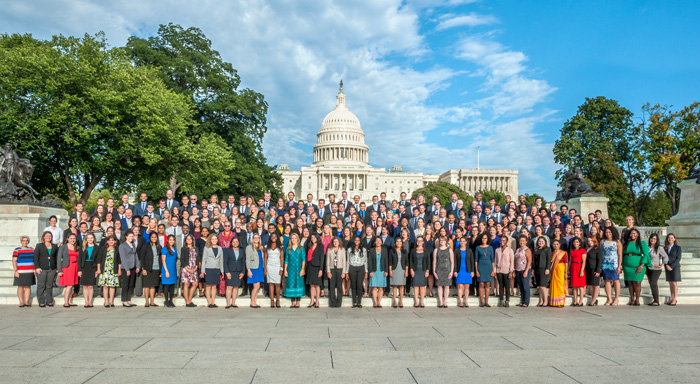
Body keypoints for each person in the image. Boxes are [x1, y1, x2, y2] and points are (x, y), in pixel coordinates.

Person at [621, 228, 651, 306]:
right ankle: (632, 299)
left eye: (634, 233)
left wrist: (641, 266)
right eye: (631, 233)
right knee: (630, 282)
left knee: (637, 282)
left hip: (638, 265)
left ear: (638, 234)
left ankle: (637, 299)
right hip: (627, 266)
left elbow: (646, 255)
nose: (633, 235)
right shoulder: (625, 243)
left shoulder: (642, 243)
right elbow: (622, 254)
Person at [200, 233, 224, 308]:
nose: (214, 240)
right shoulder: (206, 247)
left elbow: (221, 260)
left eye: (215, 239)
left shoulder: (220, 248)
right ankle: (209, 302)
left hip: (216, 269)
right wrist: (202, 270)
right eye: (212, 239)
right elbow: (204, 259)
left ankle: (213, 302)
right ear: (210, 240)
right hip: (208, 268)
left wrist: (222, 271)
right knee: (208, 286)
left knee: (214, 286)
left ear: (217, 240)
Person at [34, 231, 57, 307]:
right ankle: (41, 301)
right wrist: (37, 267)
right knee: (41, 285)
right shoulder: (39, 246)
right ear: (43, 237)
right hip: (42, 268)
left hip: (52, 269)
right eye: (47, 236)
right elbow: (36, 257)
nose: (48, 237)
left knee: (49, 285)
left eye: (50, 236)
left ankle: (49, 301)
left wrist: (56, 268)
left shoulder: (54, 246)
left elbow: (56, 257)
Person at [96, 235, 121, 307]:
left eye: (112, 240)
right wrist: (98, 269)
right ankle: (106, 301)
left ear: (115, 241)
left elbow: (119, 261)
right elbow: (99, 260)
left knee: (112, 286)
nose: (111, 242)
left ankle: (111, 301)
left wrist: (119, 270)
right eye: (109, 240)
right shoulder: (103, 249)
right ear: (107, 241)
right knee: (105, 286)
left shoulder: (117, 249)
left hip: (113, 270)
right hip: (105, 270)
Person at [601, 226, 623, 306]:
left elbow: (620, 255)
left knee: (616, 280)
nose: (608, 234)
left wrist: (619, 266)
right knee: (607, 280)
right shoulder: (602, 241)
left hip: (614, 263)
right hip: (605, 263)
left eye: (609, 232)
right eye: (606, 232)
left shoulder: (617, 242)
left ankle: (616, 298)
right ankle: (609, 298)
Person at [140, 232, 162, 307]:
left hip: (156, 268)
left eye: (155, 237)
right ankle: (147, 302)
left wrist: (160, 270)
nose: (154, 238)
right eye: (152, 237)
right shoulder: (146, 246)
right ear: (150, 238)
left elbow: (160, 259)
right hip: (148, 268)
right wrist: (143, 268)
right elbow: (142, 258)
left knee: (153, 286)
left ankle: (152, 301)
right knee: (147, 286)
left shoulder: (159, 246)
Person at [284, 232, 306, 308]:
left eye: (295, 238)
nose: (293, 240)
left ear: (297, 239)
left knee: (298, 283)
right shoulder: (288, 249)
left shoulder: (301, 248)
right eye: (292, 238)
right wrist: (285, 270)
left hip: (299, 268)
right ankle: (293, 302)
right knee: (291, 283)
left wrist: (302, 269)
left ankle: (298, 302)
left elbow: (303, 259)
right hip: (290, 269)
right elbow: (286, 260)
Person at [118, 232, 140, 307]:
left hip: (133, 266)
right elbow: (123, 258)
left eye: (132, 236)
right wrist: (127, 269)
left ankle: (128, 299)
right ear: (126, 237)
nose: (131, 237)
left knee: (131, 284)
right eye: (130, 236)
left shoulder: (133, 244)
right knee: (125, 284)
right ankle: (124, 300)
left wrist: (137, 266)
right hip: (126, 267)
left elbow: (135, 255)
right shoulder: (122, 246)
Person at [57, 234, 79, 307]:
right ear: (67, 239)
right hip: (67, 267)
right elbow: (59, 259)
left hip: (75, 266)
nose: (72, 240)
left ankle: (69, 301)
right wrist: (59, 270)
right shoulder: (63, 247)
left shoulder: (77, 247)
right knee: (69, 285)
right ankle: (66, 302)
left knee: (71, 285)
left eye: (74, 238)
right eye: (71, 238)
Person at [12, 236, 35, 307]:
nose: (25, 242)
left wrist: (34, 269)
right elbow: (14, 261)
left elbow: (35, 260)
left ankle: (27, 301)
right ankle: (21, 302)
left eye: (26, 240)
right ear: (21, 241)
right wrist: (15, 271)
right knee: (20, 287)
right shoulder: (17, 250)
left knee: (28, 286)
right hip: (21, 271)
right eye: (23, 240)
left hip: (30, 271)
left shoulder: (32, 249)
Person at [77, 233, 99, 308]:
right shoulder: (83, 247)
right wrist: (79, 270)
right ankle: (86, 302)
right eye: (88, 238)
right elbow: (79, 259)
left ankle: (90, 301)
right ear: (86, 239)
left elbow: (98, 259)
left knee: (90, 286)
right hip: (84, 267)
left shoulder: (97, 247)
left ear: (94, 239)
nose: (90, 239)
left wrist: (97, 270)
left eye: (91, 238)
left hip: (92, 267)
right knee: (85, 286)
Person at [646, 233, 668, 307]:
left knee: (653, 283)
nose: (653, 240)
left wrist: (662, 264)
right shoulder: (646, 247)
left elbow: (665, 257)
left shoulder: (659, 248)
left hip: (656, 269)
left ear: (657, 240)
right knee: (651, 283)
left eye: (655, 239)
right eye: (652, 238)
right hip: (647, 268)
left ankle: (656, 300)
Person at [432, 236, 454, 308]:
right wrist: (434, 271)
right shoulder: (436, 250)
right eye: (441, 240)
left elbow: (452, 261)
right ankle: (441, 302)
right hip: (439, 269)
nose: (442, 242)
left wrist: (451, 271)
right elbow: (434, 261)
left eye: (443, 241)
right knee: (439, 286)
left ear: (446, 242)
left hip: (447, 269)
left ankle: (445, 302)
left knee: (447, 286)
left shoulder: (449, 250)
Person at [224, 237, 245, 308]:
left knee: (236, 287)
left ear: (239, 243)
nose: (235, 243)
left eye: (236, 241)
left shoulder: (242, 251)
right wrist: (227, 272)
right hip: (230, 271)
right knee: (229, 287)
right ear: (231, 243)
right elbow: (225, 262)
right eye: (233, 242)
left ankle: (233, 303)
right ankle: (228, 303)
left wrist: (243, 272)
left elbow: (243, 262)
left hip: (238, 271)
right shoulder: (228, 251)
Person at [346, 236, 367, 308]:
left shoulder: (363, 250)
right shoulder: (349, 250)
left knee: (359, 285)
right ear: (353, 241)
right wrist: (346, 272)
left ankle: (359, 302)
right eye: (355, 240)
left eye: (358, 240)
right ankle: (354, 302)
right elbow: (348, 261)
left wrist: (366, 271)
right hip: (352, 268)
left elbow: (365, 261)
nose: (357, 241)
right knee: (353, 285)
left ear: (360, 241)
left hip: (361, 268)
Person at [475, 234, 495, 307]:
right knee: (481, 284)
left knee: (487, 284)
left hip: (488, 267)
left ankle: (486, 302)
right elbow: (476, 260)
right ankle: (482, 302)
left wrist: (493, 270)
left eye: (485, 238)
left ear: (487, 239)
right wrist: (476, 270)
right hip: (480, 267)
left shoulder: (490, 248)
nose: (484, 239)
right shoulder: (478, 248)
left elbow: (492, 260)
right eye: (483, 238)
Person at [180, 234, 201, 307]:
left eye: (190, 239)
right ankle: (187, 302)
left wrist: (196, 268)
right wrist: (187, 269)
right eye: (187, 239)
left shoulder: (196, 248)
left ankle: (189, 299)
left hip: (194, 268)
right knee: (186, 284)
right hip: (186, 268)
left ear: (192, 240)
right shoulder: (183, 249)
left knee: (195, 284)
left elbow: (198, 258)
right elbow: (182, 259)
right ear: (185, 240)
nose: (189, 240)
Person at [265, 232, 285, 308]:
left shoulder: (281, 246)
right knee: (271, 283)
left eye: (275, 236)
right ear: (270, 237)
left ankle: (278, 300)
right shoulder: (266, 246)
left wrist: (281, 268)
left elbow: (282, 258)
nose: (273, 237)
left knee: (277, 284)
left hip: (277, 266)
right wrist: (265, 270)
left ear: (277, 238)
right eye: (272, 236)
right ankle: (272, 300)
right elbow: (265, 258)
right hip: (269, 266)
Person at [326, 237, 346, 308]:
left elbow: (344, 261)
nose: (336, 243)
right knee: (332, 286)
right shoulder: (329, 250)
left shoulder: (342, 250)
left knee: (339, 286)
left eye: (337, 241)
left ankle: (338, 302)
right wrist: (328, 271)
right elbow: (327, 261)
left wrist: (344, 272)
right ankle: (332, 302)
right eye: (334, 242)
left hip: (339, 269)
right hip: (332, 269)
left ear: (339, 242)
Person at [547, 239, 569, 308]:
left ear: (559, 245)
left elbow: (566, 263)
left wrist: (566, 272)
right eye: (554, 244)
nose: (556, 246)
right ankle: (554, 302)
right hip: (554, 271)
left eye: (557, 244)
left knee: (560, 285)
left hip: (561, 270)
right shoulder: (552, 253)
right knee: (553, 285)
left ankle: (560, 302)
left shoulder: (563, 253)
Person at [245, 233, 265, 308]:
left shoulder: (261, 247)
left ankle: (255, 302)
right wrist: (248, 270)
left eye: (258, 238)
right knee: (256, 286)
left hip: (259, 268)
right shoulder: (249, 247)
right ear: (252, 239)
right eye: (255, 238)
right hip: (253, 268)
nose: (256, 239)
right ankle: (252, 302)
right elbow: (247, 259)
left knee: (258, 286)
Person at [409, 236, 430, 308]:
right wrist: (411, 270)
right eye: (418, 241)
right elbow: (411, 261)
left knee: (422, 286)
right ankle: (416, 302)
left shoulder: (426, 251)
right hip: (415, 270)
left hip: (423, 270)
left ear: (423, 242)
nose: (419, 242)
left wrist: (427, 271)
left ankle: (422, 301)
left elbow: (428, 262)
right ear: (416, 242)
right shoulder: (413, 251)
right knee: (416, 286)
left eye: (421, 241)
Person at [368, 236, 388, 308]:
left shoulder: (385, 250)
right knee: (374, 287)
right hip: (374, 270)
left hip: (382, 270)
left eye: (380, 240)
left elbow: (386, 261)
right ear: (374, 242)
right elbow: (369, 261)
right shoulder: (371, 250)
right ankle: (375, 302)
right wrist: (370, 271)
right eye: (377, 240)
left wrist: (386, 270)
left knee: (380, 288)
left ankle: (379, 302)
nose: (378, 242)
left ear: (382, 242)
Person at [454, 238, 475, 308]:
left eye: (463, 241)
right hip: (460, 270)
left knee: (466, 287)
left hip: (467, 270)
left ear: (466, 242)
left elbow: (472, 261)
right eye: (461, 241)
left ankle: (466, 301)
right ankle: (460, 301)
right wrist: (455, 271)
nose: (462, 242)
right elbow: (455, 261)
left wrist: (472, 271)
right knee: (460, 286)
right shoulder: (457, 251)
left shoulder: (469, 251)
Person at [494, 236, 514, 308]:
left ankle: (507, 300)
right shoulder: (497, 250)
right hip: (499, 270)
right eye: (501, 240)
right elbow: (495, 261)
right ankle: (501, 300)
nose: (502, 241)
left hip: (507, 270)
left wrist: (511, 271)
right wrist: (495, 271)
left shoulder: (510, 250)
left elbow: (512, 262)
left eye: (504, 240)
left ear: (506, 241)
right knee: (501, 286)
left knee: (507, 286)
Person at [305, 234, 324, 308]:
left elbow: (322, 258)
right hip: (310, 266)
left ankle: (317, 301)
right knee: (311, 285)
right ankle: (312, 301)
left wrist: (321, 269)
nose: (313, 239)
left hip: (317, 267)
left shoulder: (320, 246)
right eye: (312, 237)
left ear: (317, 238)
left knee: (317, 284)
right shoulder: (309, 246)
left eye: (314, 237)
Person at [388, 237, 408, 308]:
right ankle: (395, 301)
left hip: (402, 269)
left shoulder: (404, 251)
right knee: (395, 285)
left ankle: (401, 301)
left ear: (402, 243)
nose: (399, 243)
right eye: (397, 242)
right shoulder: (392, 251)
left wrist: (406, 271)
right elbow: (390, 261)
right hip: (394, 269)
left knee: (402, 285)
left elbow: (406, 262)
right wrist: (390, 270)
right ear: (395, 243)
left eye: (400, 242)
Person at [514, 235, 532, 307]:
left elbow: (529, 261)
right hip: (518, 269)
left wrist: (526, 271)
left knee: (525, 286)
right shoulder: (517, 250)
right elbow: (515, 260)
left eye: (523, 241)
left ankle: (526, 302)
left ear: (526, 242)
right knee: (521, 287)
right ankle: (522, 300)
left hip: (525, 269)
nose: (521, 242)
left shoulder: (527, 250)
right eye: (520, 240)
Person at [161, 234, 179, 307]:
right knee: (167, 285)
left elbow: (175, 260)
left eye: (173, 240)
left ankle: (171, 300)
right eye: (170, 240)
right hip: (167, 269)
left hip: (173, 269)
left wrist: (176, 270)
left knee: (172, 285)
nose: (172, 241)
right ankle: (166, 301)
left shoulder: (174, 248)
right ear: (167, 240)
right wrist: (166, 271)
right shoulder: (164, 249)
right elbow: (163, 261)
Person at [569, 237, 587, 307]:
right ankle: (575, 301)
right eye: (574, 242)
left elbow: (584, 261)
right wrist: (568, 270)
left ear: (579, 243)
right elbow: (570, 261)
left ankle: (580, 301)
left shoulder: (582, 251)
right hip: (573, 267)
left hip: (579, 267)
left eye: (577, 242)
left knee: (580, 286)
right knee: (574, 286)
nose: (575, 243)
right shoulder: (571, 251)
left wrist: (582, 270)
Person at [585, 236, 603, 306]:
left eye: (591, 241)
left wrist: (598, 270)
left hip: (595, 268)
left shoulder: (598, 249)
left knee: (595, 284)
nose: (590, 242)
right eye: (589, 241)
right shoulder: (587, 249)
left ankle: (593, 300)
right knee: (590, 285)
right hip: (588, 268)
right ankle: (594, 299)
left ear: (595, 241)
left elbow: (599, 260)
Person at [665, 233, 681, 306]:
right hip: (667, 267)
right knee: (670, 283)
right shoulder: (665, 247)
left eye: (672, 237)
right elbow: (664, 258)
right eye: (669, 237)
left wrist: (672, 266)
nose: (670, 239)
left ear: (674, 239)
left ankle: (674, 299)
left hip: (675, 267)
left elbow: (678, 258)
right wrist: (666, 265)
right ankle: (672, 298)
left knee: (674, 283)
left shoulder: (678, 247)